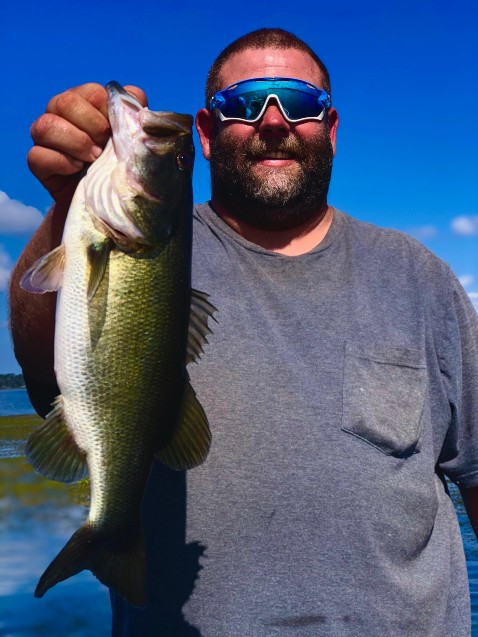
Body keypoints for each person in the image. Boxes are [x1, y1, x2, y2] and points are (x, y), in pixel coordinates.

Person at [9, 28, 478, 637]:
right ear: (204, 134)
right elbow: (49, 378)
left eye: (300, 102)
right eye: (244, 103)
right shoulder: (161, 241)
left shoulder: (420, 277)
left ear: (330, 130)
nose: (274, 121)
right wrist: (66, 206)